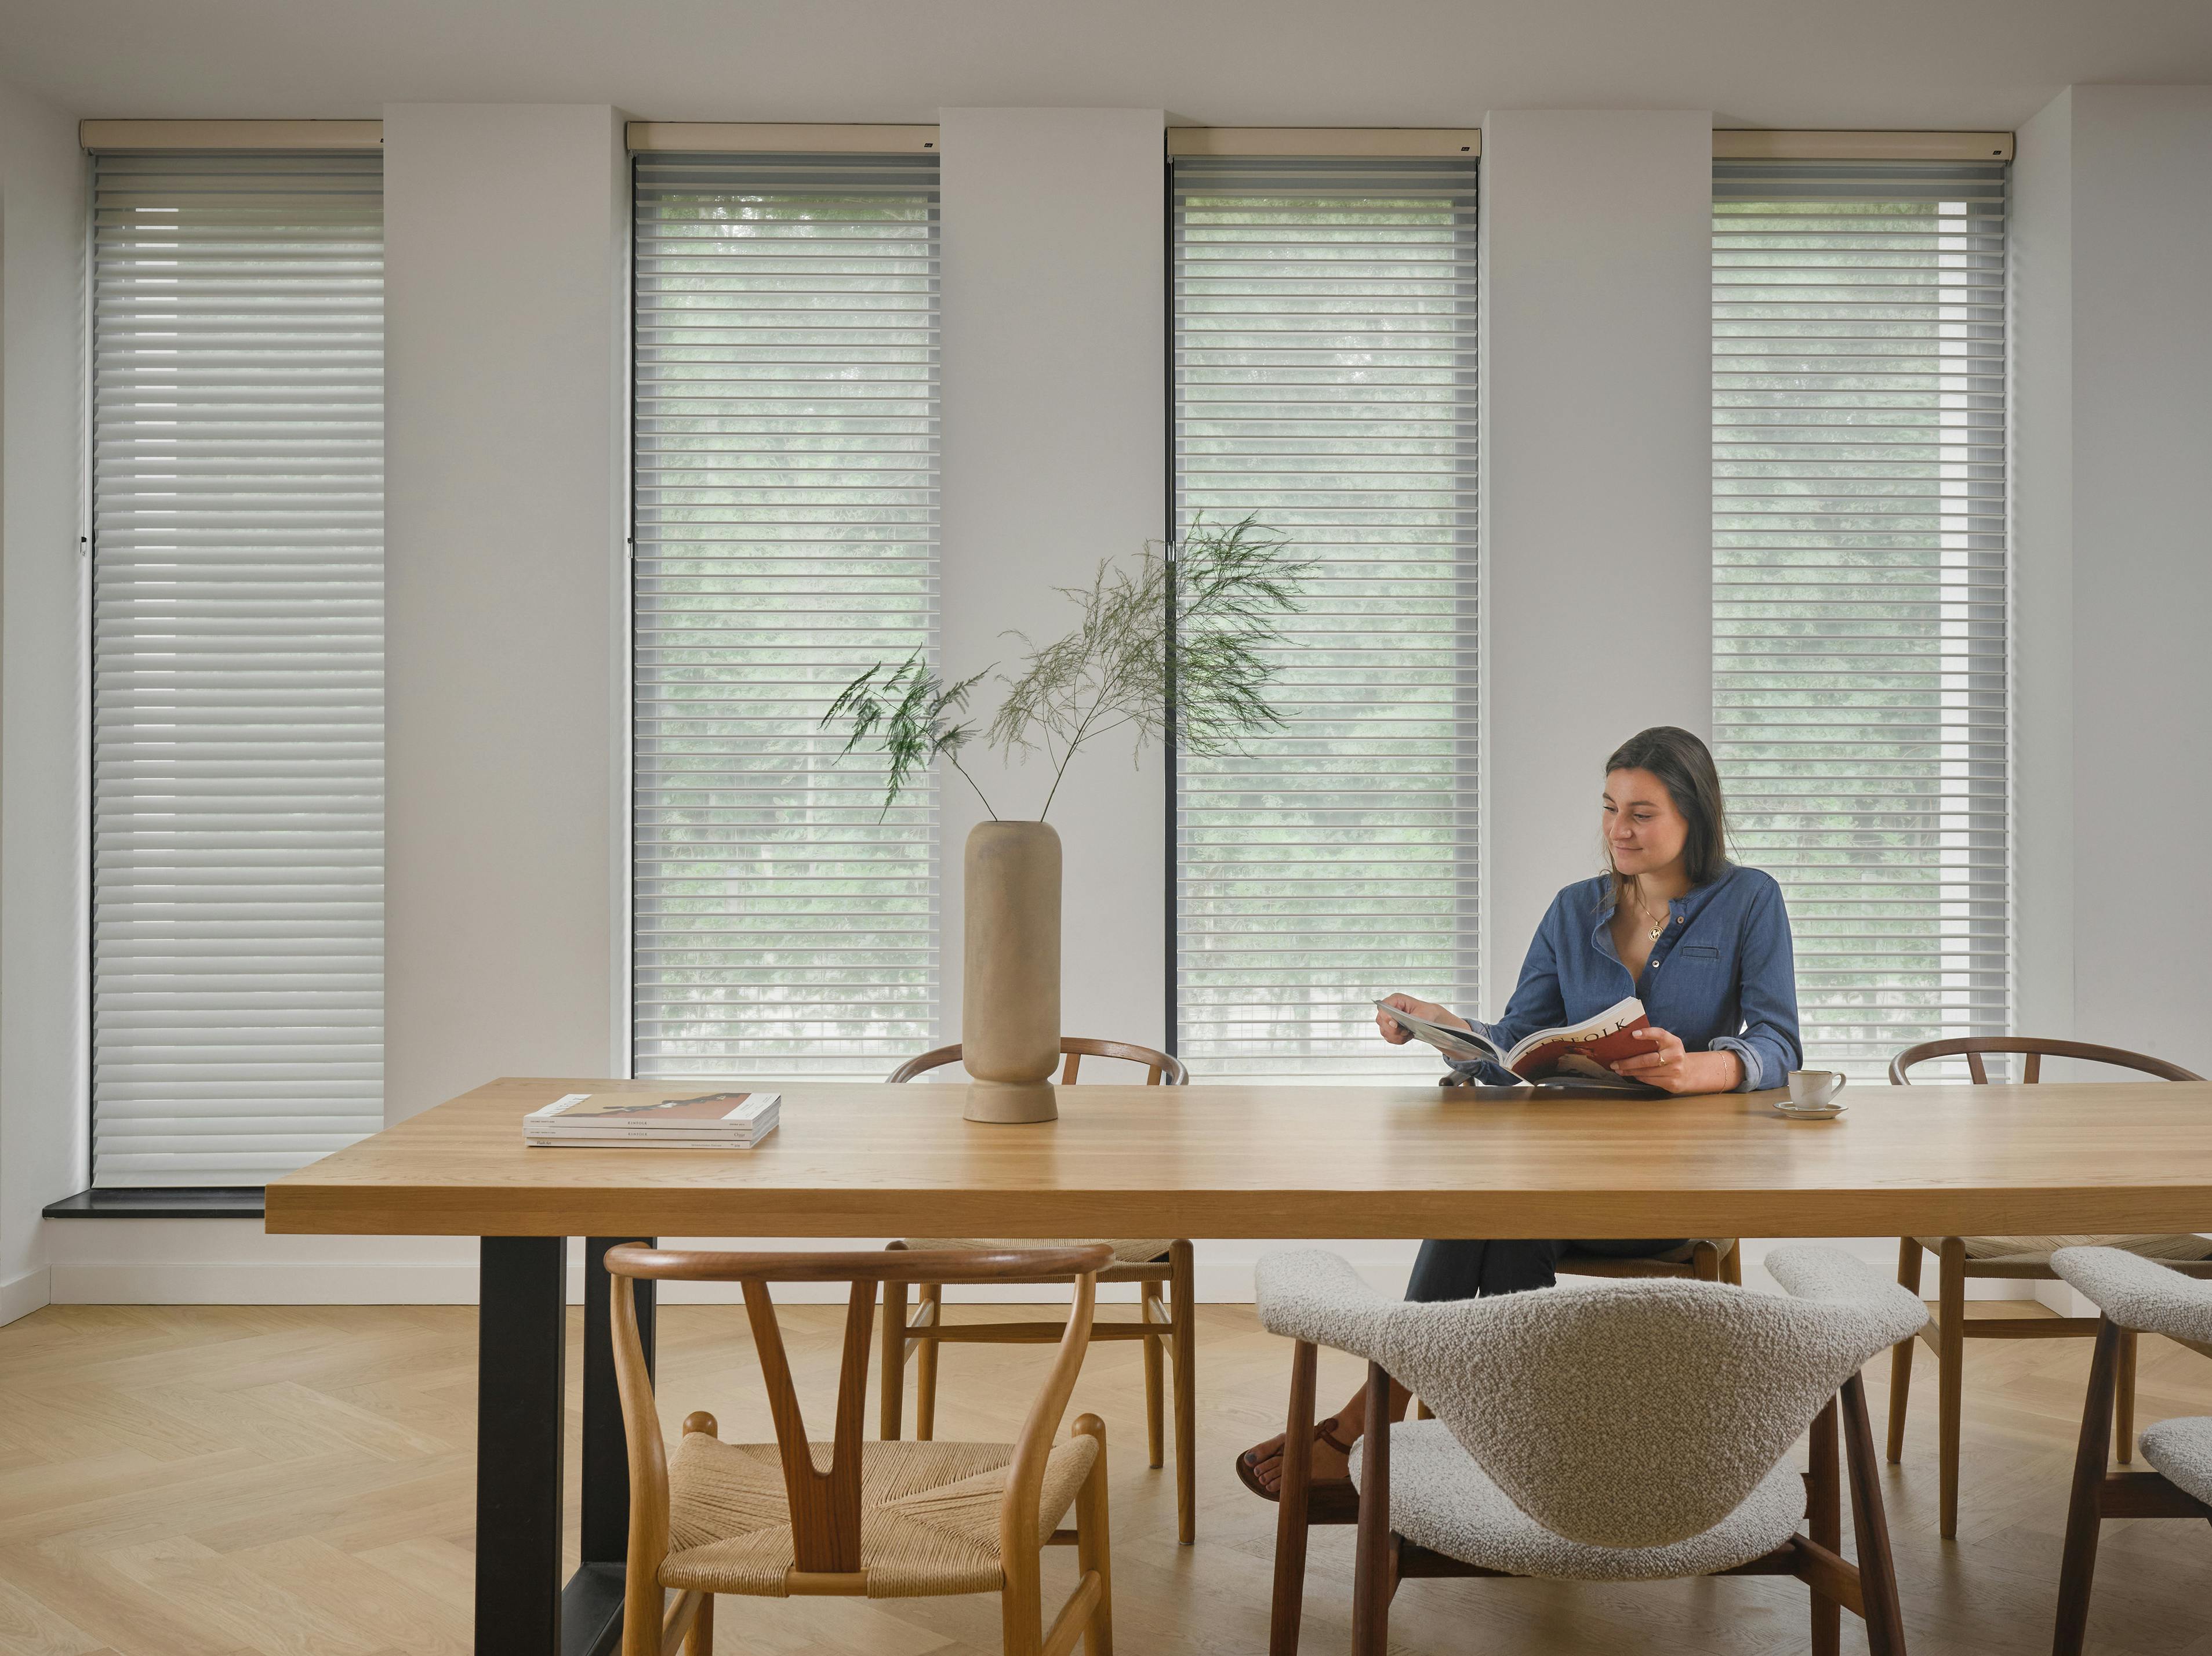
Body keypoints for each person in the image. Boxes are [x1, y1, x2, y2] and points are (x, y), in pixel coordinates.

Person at [1235, 725, 1802, 1498]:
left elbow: (1778, 1042)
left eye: (1641, 813)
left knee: (1497, 1216)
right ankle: (1512, 1451)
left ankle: (1389, 1415)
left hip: (1677, 1182)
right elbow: (1515, 1042)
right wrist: (1447, 1027)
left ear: (1693, 817)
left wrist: (1693, 1070)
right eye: (1609, 809)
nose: (1617, 830)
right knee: (1496, 1211)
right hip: (1562, 1169)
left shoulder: (1749, 900)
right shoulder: (1574, 911)